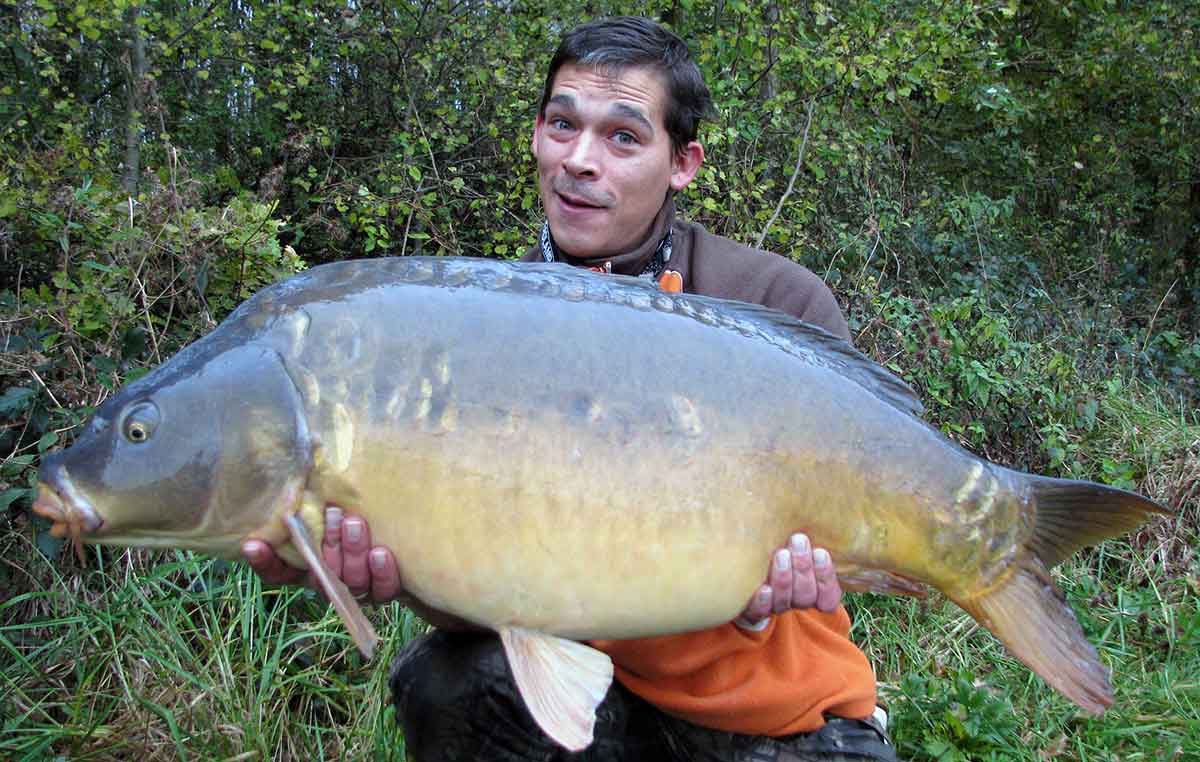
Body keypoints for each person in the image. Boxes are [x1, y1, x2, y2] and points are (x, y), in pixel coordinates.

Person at [243, 16, 896, 762]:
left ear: (683, 163)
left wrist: (788, 583)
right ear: (536, 134)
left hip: (785, 720)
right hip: (595, 710)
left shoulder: (775, 302)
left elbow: (857, 514)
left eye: (622, 136)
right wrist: (393, 574)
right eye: (562, 124)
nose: (580, 160)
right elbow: (499, 584)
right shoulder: (476, 328)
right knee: (451, 677)